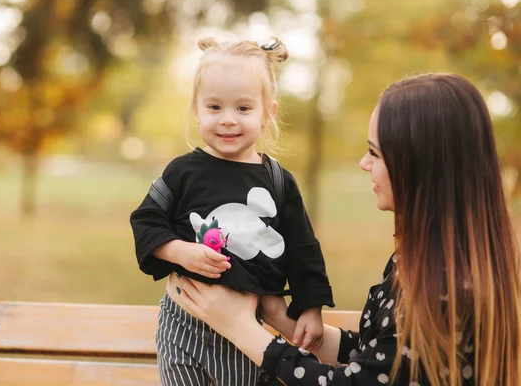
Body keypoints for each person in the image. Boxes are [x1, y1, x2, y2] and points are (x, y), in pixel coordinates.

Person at [175, 73, 521, 385]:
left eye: (375, 153)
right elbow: (380, 360)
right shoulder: (430, 262)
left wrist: (239, 328)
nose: (363, 163)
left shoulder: (448, 288)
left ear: (419, 167)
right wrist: (282, 320)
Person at [130, 36, 335, 385]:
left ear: (267, 113)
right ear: (196, 109)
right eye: (214, 107)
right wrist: (179, 251)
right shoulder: (182, 172)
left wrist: (311, 307)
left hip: (248, 328)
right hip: (185, 319)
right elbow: (146, 220)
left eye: (242, 108)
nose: (227, 120)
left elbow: (304, 250)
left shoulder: (277, 180)